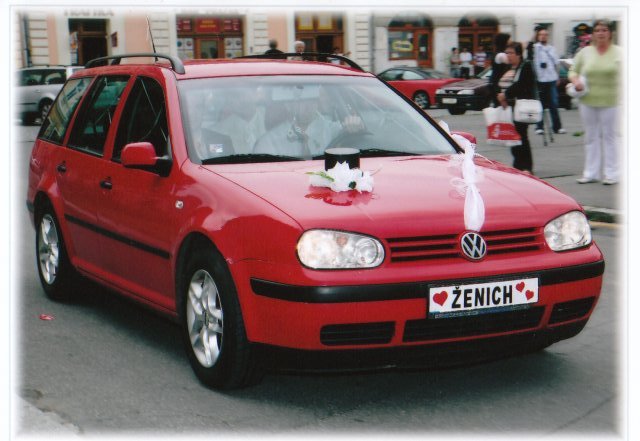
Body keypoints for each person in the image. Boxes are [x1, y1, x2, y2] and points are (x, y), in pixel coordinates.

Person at [569, 19, 622, 185]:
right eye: (597, 30)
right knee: (591, 137)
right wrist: (576, 81)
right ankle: (591, 173)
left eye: (604, 30)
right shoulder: (585, 52)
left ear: (610, 33)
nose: (600, 33)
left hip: (611, 100)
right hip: (587, 100)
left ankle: (612, 173)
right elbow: (573, 70)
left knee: (610, 137)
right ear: (593, 34)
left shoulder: (620, 52)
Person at [496, 42, 537, 174]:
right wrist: (501, 97)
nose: (508, 55)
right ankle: (517, 164)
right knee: (512, 136)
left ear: (519, 54)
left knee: (521, 136)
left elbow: (521, 85)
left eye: (511, 53)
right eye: (506, 53)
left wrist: (506, 95)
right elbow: (497, 82)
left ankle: (526, 166)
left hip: (520, 106)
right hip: (508, 106)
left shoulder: (525, 66)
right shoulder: (507, 67)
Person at [532, 27, 566, 135]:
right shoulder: (535, 48)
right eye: (541, 34)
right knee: (540, 105)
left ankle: (557, 127)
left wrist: (558, 77)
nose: (543, 36)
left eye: (545, 35)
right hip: (539, 79)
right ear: (538, 36)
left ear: (548, 36)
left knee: (554, 104)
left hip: (551, 79)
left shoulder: (552, 49)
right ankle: (539, 127)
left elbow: (556, 64)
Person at [489, 33, 512, 106]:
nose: (511, 41)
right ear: (504, 42)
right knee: (501, 106)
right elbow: (511, 62)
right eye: (509, 40)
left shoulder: (500, 53)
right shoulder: (501, 55)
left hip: (499, 83)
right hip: (498, 85)